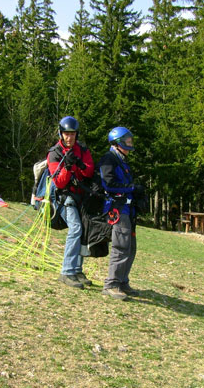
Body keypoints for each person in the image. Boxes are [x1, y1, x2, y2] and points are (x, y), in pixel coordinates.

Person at [47, 116, 95, 289]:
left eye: (72, 134)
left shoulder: (82, 150)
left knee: (84, 230)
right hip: (64, 197)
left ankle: (76, 269)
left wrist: (80, 164)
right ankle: (66, 271)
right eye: (66, 134)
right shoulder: (54, 153)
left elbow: (90, 172)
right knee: (75, 228)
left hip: (81, 196)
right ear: (61, 133)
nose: (69, 137)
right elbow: (58, 182)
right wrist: (67, 168)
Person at [98, 127, 144, 300]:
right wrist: (132, 188)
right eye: (127, 141)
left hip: (128, 209)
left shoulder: (122, 160)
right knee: (121, 246)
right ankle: (111, 284)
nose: (130, 145)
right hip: (117, 209)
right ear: (118, 142)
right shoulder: (109, 159)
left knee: (131, 247)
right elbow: (108, 184)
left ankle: (123, 281)